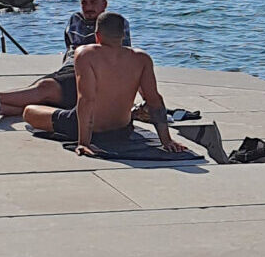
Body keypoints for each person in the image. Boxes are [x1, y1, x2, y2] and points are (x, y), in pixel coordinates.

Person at [22, 12, 187, 157]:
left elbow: (86, 99)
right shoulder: (142, 58)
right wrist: (166, 141)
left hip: (88, 128)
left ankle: (6, 105)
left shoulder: (86, 54)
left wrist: (84, 143)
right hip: (122, 130)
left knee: (29, 111)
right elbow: (154, 100)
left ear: (97, 35)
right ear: (123, 35)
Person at [0, 0, 126, 122]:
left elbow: (120, 58)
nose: (88, 7)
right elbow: (69, 46)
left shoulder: (114, 24)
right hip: (68, 70)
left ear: (104, 4)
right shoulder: (75, 19)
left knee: (45, 89)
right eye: (84, 3)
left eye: (93, 2)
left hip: (90, 75)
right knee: (41, 95)